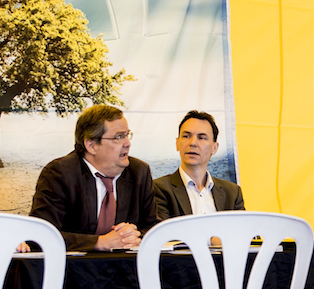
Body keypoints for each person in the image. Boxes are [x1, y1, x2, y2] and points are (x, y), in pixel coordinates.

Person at [29, 104, 157, 251]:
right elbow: (41, 235)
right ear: (91, 145)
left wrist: (133, 235)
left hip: (125, 269)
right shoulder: (60, 173)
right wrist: (100, 242)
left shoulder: (139, 172)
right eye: (118, 137)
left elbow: (152, 227)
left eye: (127, 135)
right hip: (73, 270)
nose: (127, 144)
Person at [152, 110, 245, 220]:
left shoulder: (232, 193)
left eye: (201, 137)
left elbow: (240, 232)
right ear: (177, 143)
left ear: (214, 148)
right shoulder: (159, 189)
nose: (192, 143)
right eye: (186, 136)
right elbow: (163, 234)